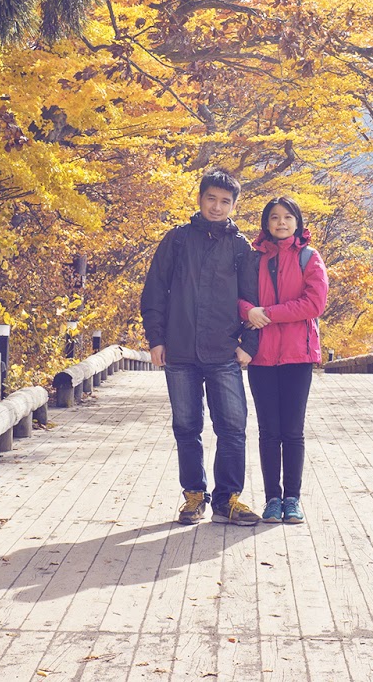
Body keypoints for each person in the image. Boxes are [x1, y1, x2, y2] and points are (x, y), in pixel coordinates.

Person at [140, 170, 263, 526]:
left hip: (223, 352)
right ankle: (194, 496)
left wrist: (249, 345)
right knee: (186, 427)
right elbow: (154, 293)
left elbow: (253, 302)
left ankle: (228, 499)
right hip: (179, 350)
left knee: (233, 427)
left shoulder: (240, 247)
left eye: (226, 201)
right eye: (212, 198)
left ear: (235, 205)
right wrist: (156, 339)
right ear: (200, 198)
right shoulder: (177, 240)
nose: (217, 206)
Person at [240, 195, 329, 525]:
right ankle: (271, 499)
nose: (281, 222)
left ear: (298, 222)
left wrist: (269, 314)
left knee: (292, 430)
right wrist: (249, 311)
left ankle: (292, 498)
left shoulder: (309, 257)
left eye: (287, 217)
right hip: (261, 356)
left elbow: (314, 304)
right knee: (268, 431)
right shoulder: (254, 260)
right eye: (274, 217)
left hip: (297, 355)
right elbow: (238, 298)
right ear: (266, 223)